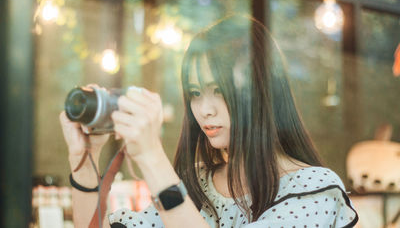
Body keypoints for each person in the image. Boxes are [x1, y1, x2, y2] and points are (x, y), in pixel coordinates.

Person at [59, 14, 358, 228]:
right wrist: (84, 159)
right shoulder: (199, 183)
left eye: (219, 91)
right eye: (195, 93)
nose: (204, 110)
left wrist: (152, 156)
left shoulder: (315, 189)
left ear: (260, 92)